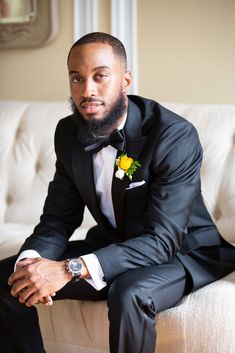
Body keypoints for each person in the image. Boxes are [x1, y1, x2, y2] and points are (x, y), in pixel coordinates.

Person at [0, 32, 235, 353]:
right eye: (76, 78)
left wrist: (69, 268)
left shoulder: (173, 135)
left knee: (128, 292)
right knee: (9, 278)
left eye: (100, 76)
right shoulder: (68, 133)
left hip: (181, 252)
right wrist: (32, 262)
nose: (87, 90)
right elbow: (57, 218)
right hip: (114, 242)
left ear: (125, 80)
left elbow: (162, 240)